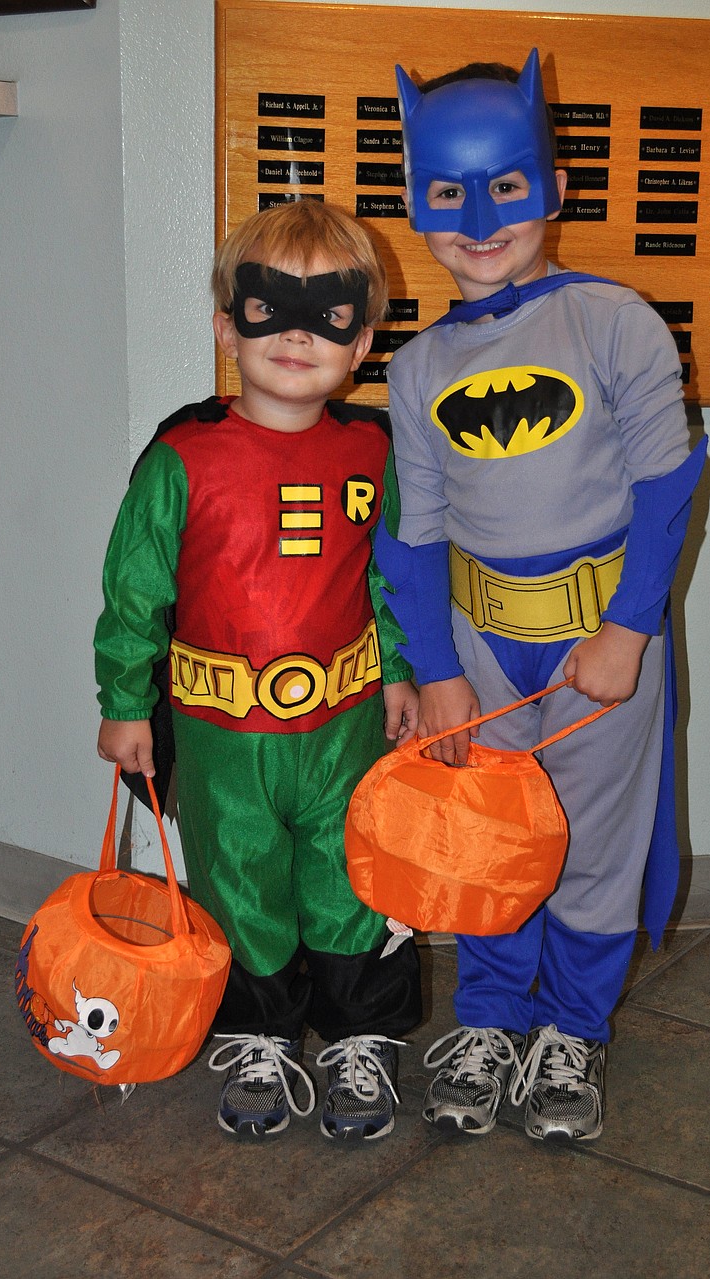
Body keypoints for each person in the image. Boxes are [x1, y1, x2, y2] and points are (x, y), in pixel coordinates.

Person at [376, 51, 706, 1145]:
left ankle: (572, 1031)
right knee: (485, 838)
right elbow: (415, 533)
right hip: (480, 647)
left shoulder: (613, 321)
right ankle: (489, 1022)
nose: (480, 221)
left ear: (552, 186)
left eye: (506, 187)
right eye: (449, 192)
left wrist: (630, 625)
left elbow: (665, 486)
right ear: (418, 200)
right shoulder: (419, 367)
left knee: (596, 848)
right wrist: (433, 670)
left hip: (598, 640)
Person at [94, 198, 423, 1142]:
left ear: (361, 343)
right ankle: (261, 1037)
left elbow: (394, 577)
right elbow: (135, 587)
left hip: (345, 727)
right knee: (238, 882)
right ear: (225, 326)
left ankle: (358, 1037)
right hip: (221, 739)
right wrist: (125, 700)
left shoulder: (374, 450)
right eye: (269, 308)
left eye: (328, 316)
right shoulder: (183, 457)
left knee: (351, 876)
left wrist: (400, 670)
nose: (296, 335)